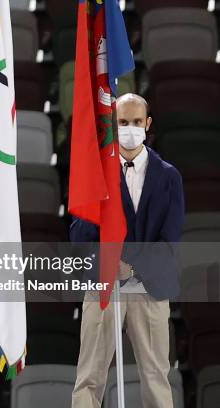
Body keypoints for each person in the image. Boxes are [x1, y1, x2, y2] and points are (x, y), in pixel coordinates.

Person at [71, 93, 184, 408]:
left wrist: (132, 268)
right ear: (113, 123)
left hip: (150, 287)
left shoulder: (169, 177)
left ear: (147, 124)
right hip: (102, 285)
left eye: (136, 122)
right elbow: (80, 236)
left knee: (156, 376)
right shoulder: (96, 174)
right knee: (89, 377)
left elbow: (170, 240)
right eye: (123, 122)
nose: (130, 128)